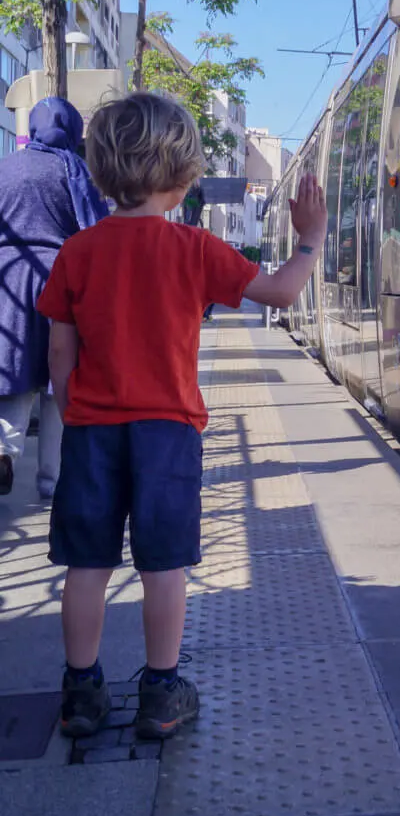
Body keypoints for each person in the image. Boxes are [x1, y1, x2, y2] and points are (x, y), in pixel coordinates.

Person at [36, 92, 327, 740]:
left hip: (91, 431)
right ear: (183, 174)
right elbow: (279, 291)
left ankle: (80, 695)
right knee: (162, 566)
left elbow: (61, 348)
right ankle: (161, 693)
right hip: (167, 433)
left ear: (102, 169)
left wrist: (73, 409)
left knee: (86, 566)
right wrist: (309, 239)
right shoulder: (194, 250)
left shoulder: (77, 253)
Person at [0, 97, 108, 498]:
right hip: (58, 278)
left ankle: (4, 451)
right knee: (57, 381)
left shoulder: (5, 166)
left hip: (6, 282)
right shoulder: (72, 169)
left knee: (12, 374)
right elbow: (94, 230)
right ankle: (52, 479)